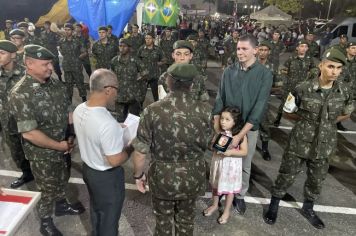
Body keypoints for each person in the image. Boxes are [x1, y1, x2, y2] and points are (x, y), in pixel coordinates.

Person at [263, 48, 354, 229]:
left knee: (317, 179)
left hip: (325, 144)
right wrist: (307, 121)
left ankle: (308, 208)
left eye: (338, 68)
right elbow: (288, 111)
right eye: (330, 66)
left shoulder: (344, 91)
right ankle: (274, 204)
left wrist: (327, 122)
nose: (334, 71)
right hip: (300, 142)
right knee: (286, 175)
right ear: (321, 66)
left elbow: (347, 112)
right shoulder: (303, 88)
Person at [9, 45, 84, 236]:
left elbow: (67, 110)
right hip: (42, 153)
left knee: (62, 179)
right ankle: (45, 221)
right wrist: (58, 145)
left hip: (63, 145)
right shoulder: (21, 93)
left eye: (51, 63)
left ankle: (61, 206)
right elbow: (29, 133)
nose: (50, 67)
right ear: (29, 64)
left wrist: (70, 135)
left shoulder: (54, 83)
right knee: (46, 188)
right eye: (45, 64)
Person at [132, 63, 211, 236]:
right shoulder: (206, 110)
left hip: (163, 177)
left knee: (163, 221)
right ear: (191, 84)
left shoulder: (152, 111)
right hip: (193, 177)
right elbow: (211, 143)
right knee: (186, 221)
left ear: (169, 81)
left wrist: (138, 175)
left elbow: (140, 151)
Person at [212, 34, 273, 215]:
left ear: (255, 50)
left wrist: (239, 136)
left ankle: (239, 195)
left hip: (246, 130)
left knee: (244, 164)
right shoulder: (229, 71)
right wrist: (217, 128)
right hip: (225, 127)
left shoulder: (264, 74)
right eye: (238, 48)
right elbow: (219, 99)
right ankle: (222, 191)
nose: (240, 52)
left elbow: (259, 108)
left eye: (244, 49)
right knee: (220, 159)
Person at [73, 69, 133, 236]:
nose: (116, 94)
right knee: (109, 218)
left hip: (89, 170)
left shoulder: (80, 108)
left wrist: (116, 129)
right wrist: (131, 146)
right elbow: (114, 160)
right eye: (117, 89)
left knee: (97, 209)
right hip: (107, 178)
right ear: (108, 90)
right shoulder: (106, 123)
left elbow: (93, 131)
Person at [203, 107, 248, 224]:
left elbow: (244, 152)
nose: (223, 121)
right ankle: (214, 205)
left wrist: (231, 152)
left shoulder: (239, 136)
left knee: (229, 190)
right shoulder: (219, 133)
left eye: (227, 119)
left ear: (235, 122)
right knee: (215, 186)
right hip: (218, 164)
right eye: (222, 118)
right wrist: (213, 145)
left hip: (231, 168)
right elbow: (211, 146)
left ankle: (227, 210)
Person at [0, 40, 33, 188]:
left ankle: (42, 173)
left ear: (13, 55)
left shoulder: (25, 74)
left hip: (27, 121)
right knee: (16, 151)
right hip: (7, 121)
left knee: (34, 148)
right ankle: (27, 173)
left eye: (2, 53)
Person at [274, 40, 316, 127]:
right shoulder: (291, 58)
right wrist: (286, 81)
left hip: (303, 87)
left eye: (305, 46)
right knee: (284, 103)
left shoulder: (309, 59)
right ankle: (278, 118)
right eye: (301, 46)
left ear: (307, 48)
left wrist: (310, 79)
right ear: (297, 48)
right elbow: (283, 71)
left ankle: (300, 121)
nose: (303, 48)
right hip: (290, 86)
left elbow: (314, 70)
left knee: (302, 105)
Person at [110, 38, 148, 122]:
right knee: (120, 121)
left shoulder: (136, 60)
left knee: (133, 122)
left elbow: (145, 72)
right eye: (120, 46)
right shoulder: (114, 61)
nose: (122, 48)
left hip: (133, 96)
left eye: (124, 46)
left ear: (129, 48)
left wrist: (137, 80)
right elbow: (111, 75)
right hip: (119, 96)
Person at [58, 23, 87, 103]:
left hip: (76, 67)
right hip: (67, 67)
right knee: (68, 85)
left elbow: (84, 52)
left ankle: (84, 101)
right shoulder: (61, 41)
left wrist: (77, 59)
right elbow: (61, 52)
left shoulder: (78, 41)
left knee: (80, 83)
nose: (67, 31)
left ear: (72, 31)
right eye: (65, 30)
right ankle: (69, 101)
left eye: (69, 30)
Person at [137, 32, 165, 102]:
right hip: (143, 76)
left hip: (154, 76)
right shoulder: (141, 49)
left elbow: (164, 60)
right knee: (140, 96)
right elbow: (137, 60)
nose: (147, 40)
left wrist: (157, 64)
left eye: (149, 38)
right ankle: (139, 110)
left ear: (153, 39)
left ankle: (156, 110)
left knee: (156, 96)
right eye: (146, 38)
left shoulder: (158, 49)